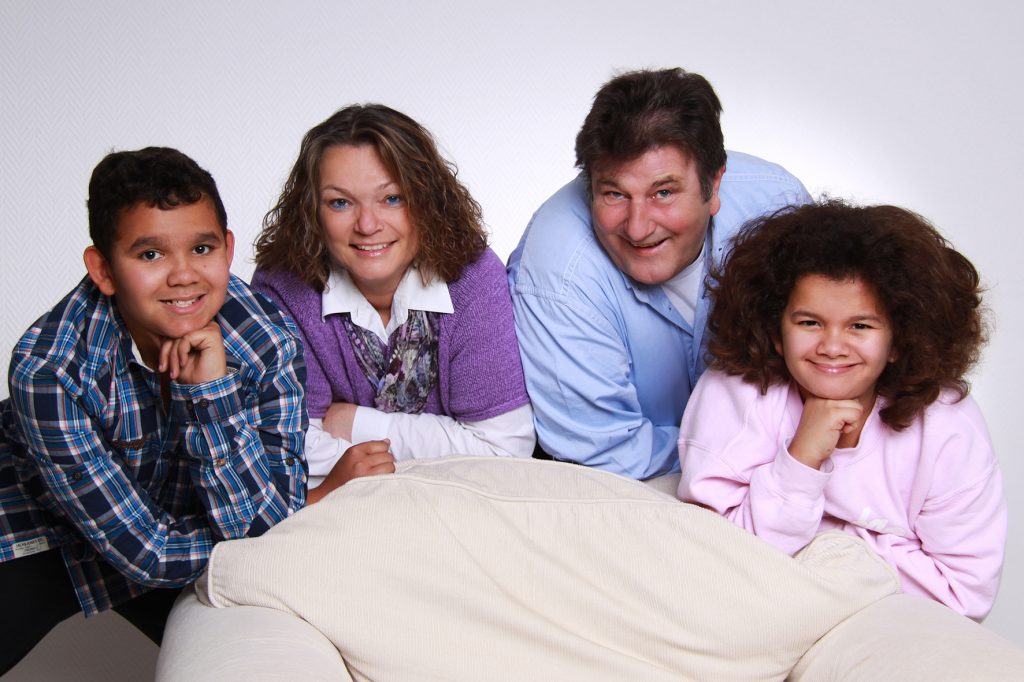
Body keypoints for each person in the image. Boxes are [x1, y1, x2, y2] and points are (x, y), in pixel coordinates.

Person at [0, 147, 307, 673]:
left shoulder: (266, 339)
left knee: (278, 635)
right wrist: (283, 515)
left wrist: (211, 393)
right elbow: (152, 554)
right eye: (150, 255)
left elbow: (267, 537)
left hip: (172, 539)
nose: (183, 275)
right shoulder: (50, 370)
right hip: (33, 539)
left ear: (229, 249)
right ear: (103, 270)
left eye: (202, 248)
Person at [677, 200, 1006, 620]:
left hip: (884, 625)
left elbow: (963, 597)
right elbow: (716, 562)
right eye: (809, 323)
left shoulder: (947, 425)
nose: (832, 347)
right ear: (776, 331)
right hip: (749, 612)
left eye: (860, 326)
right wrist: (800, 461)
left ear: (899, 339)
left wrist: (821, 543)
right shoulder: (734, 392)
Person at [507, 67, 811, 480]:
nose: (637, 228)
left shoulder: (779, 205)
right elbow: (605, 452)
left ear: (714, 184)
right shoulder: (557, 272)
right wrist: (755, 459)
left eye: (663, 193)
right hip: (629, 486)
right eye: (614, 194)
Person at [252, 104, 533, 503]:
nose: (368, 225)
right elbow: (292, 455)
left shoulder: (473, 278)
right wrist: (445, 448)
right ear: (311, 210)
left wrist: (355, 424)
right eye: (340, 203)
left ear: (426, 200)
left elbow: (505, 453)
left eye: (392, 198)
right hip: (343, 516)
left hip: (464, 511)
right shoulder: (283, 288)